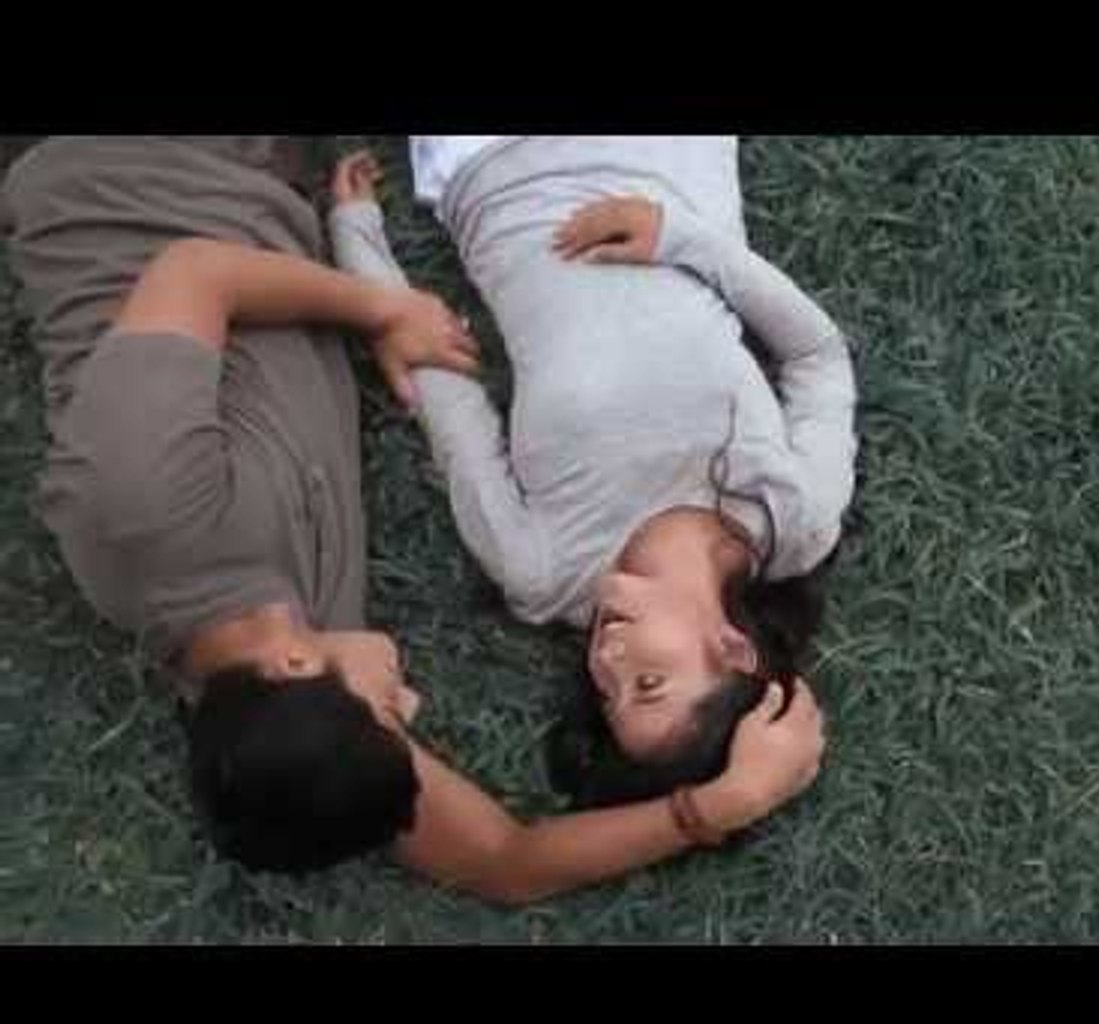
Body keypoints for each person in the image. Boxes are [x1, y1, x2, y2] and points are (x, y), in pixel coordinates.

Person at [0, 136, 827, 903]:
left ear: (294, 663)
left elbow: (191, 275)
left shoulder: (142, 520)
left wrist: (381, 311)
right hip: (271, 185)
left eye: (391, 707)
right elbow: (503, 861)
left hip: (139, 162)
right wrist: (715, 805)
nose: (413, 698)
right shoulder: (292, 706)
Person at [329, 137, 857, 809]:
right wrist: (679, 237)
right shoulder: (795, 518)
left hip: (494, 168)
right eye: (649, 683)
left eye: (610, 694)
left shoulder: (544, 571)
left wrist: (360, 248)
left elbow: (452, 407)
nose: (607, 663)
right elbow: (817, 357)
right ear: (732, 649)